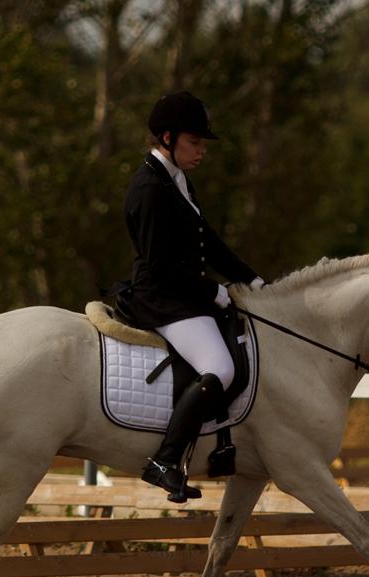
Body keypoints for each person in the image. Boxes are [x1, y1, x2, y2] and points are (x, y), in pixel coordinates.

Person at [119, 91, 265, 502]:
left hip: (182, 293)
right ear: (167, 137)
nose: (201, 151)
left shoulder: (176, 179)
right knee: (220, 367)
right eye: (194, 142)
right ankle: (165, 460)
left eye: (202, 143)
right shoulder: (148, 189)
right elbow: (161, 265)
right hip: (160, 297)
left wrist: (252, 280)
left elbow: (209, 242)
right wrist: (213, 291)